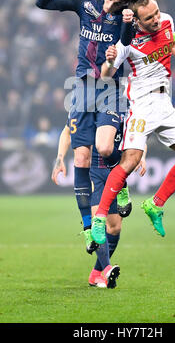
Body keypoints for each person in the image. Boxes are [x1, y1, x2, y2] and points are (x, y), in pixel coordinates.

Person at [36, 0, 146, 248]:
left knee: (106, 147)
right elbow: (43, 4)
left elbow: (124, 45)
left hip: (110, 88)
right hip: (82, 88)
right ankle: (87, 228)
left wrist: (125, 26)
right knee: (81, 159)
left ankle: (121, 187)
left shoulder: (126, 18)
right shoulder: (86, 4)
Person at [91, 0, 175, 244]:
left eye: (157, 13)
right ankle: (100, 218)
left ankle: (155, 205)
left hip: (164, 104)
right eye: (149, 18)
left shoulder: (167, 21)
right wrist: (108, 61)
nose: (156, 19)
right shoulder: (128, 43)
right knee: (130, 162)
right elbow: (105, 75)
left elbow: (174, 43)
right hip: (141, 105)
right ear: (136, 20)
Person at [51, 123, 146, 288]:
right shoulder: (92, 108)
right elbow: (67, 131)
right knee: (98, 224)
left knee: (115, 227)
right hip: (95, 174)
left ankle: (96, 273)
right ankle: (108, 269)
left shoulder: (124, 107)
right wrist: (60, 158)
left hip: (116, 173)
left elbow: (140, 133)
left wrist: (141, 156)